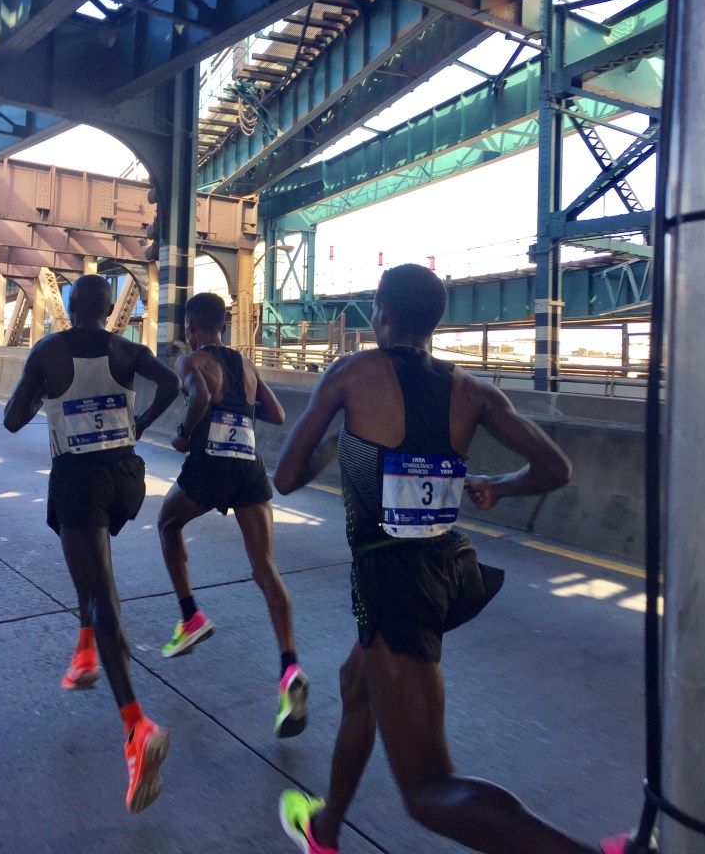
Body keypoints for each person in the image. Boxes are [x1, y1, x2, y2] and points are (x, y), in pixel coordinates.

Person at [273, 264, 647, 854]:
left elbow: (287, 476)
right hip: (448, 569)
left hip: (391, 579)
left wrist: (336, 442)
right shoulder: (473, 391)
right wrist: (497, 484)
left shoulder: (350, 374)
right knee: (356, 683)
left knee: (427, 791)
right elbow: (556, 469)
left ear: (384, 314)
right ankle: (325, 831)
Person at [3, 274, 181, 814]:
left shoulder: (49, 352)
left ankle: (136, 726)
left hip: (78, 478)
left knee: (102, 591)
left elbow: (12, 420)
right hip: (125, 476)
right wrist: (140, 420)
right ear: (110, 311)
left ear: (70, 307)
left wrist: (45, 397)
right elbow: (171, 383)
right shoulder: (128, 349)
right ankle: (85, 652)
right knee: (93, 566)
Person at [156, 291, 308, 739]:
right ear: (223, 324)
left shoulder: (191, 362)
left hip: (211, 461)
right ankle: (289, 668)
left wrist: (185, 433)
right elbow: (277, 414)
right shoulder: (246, 365)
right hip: (249, 464)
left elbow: (200, 394)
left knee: (167, 524)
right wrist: (242, 409)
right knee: (265, 567)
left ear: (191, 327)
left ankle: (190, 618)